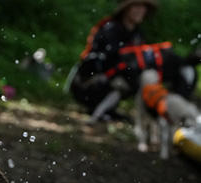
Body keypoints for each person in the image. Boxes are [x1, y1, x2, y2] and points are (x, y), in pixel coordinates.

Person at [70, 0, 199, 123]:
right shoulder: (110, 29)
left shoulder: (137, 34)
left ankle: (165, 115)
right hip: (88, 85)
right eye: (136, 6)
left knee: (145, 75)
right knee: (135, 76)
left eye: (143, 7)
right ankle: (98, 114)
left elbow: (139, 61)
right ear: (126, 8)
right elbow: (112, 63)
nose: (141, 10)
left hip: (116, 82)